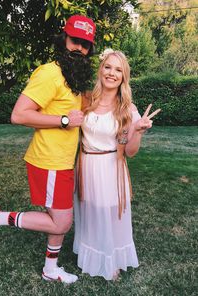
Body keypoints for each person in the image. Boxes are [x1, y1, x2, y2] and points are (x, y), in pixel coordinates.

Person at [0, 15, 96, 284]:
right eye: (74, 41)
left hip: (62, 161)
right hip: (49, 161)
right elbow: (19, 115)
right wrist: (63, 121)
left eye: (85, 44)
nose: (79, 48)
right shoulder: (50, 73)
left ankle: (51, 268)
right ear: (63, 39)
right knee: (61, 222)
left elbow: (84, 111)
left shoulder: (74, 77)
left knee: (60, 217)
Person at [73, 48, 161, 280]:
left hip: (111, 167)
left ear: (124, 77)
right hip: (87, 166)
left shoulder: (127, 109)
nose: (112, 73)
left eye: (118, 70)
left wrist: (138, 130)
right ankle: (90, 256)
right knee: (91, 212)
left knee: (110, 214)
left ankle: (110, 259)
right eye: (108, 67)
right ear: (101, 69)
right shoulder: (86, 99)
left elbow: (130, 152)